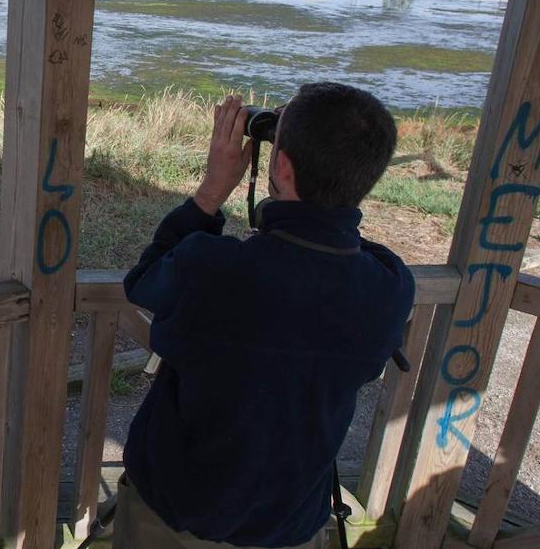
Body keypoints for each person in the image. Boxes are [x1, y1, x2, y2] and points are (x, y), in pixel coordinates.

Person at [116, 83, 415, 549]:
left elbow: (145, 280)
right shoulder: (389, 287)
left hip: (178, 516)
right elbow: (340, 249)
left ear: (281, 165)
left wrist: (213, 189)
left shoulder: (215, 269)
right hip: (291, 522)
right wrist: (326, 189)